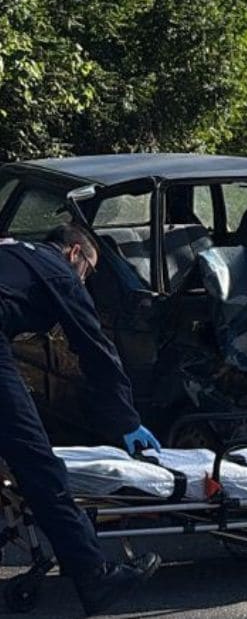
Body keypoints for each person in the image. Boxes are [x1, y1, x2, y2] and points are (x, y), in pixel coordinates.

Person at [0, 224, 161, 616]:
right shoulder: (58, 271)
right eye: (89, 270)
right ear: (74, 252)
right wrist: (126, 420)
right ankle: (94, 576)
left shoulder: (15, 253)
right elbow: (96, 350)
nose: (85, 281)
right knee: (38, 463)